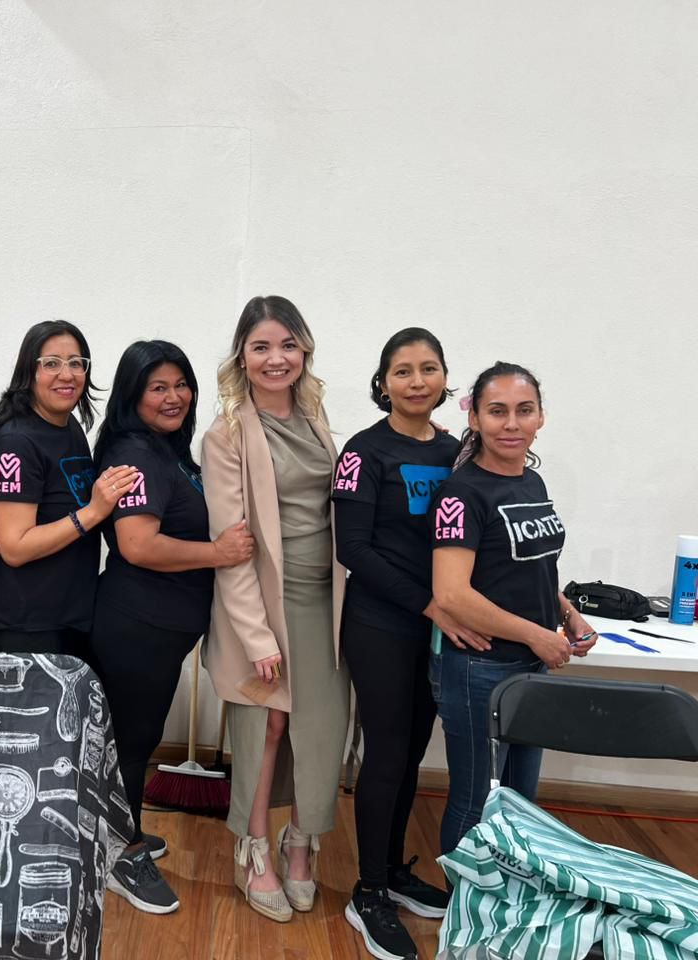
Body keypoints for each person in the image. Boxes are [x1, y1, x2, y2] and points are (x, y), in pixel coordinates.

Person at [90, 340, 254, 915]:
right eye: (157, 386)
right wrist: (219, 553)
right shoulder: (133, 452)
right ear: (133, 395)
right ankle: (119, 853)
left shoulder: (167, 450)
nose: (174, 396)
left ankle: (117, 830)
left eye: (180, 384)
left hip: (162, 628)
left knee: (136, 739)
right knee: (130, 745)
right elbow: (137, 545)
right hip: (137, 625)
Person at [202, 295, 351, 924]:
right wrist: (258, 637)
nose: (275, 358)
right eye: (261, 346)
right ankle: (255, 845)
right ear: (242, 355)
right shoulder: (228, 434)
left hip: (325, 602)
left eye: (287, 345)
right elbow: (232, 548)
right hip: (262, 606)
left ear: (304, 351)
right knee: (266, 728)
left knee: (318, 731)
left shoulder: (318, 421)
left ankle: (301, 843)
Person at [333, 329, 479, 959]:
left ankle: (392, 872)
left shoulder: (457, 453)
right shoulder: (364, 451)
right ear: (384, 381)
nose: (417, 381)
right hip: (381, 624)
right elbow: (352, 549)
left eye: (428, 369)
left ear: (447, 378)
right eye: (402, 371)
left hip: (439, 628)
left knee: (414, 752)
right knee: (387, 751)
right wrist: (428, 605)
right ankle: (367, 893)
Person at [429, 362, 596, 856]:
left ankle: (510, 904)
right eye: (497, 411)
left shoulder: (531, 484)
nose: (511, 423)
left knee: (522, 798)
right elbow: (452, 594)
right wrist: (536, 635)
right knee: (476, 797)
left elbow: (531, 567)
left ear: (541, 418)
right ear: (475, 419)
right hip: (480, 667)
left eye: (524, 411)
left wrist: (567, 615)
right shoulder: (462, 493)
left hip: (531, 660)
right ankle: (466, 912)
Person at [0, 320, 138, 657]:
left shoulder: (67, 424)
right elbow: (15, 547)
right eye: (52, 363)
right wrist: (93, 512)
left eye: (76, 363)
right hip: (30, 624)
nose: (67, 374)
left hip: (72, 614)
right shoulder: (16, 443)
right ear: (30, 371)